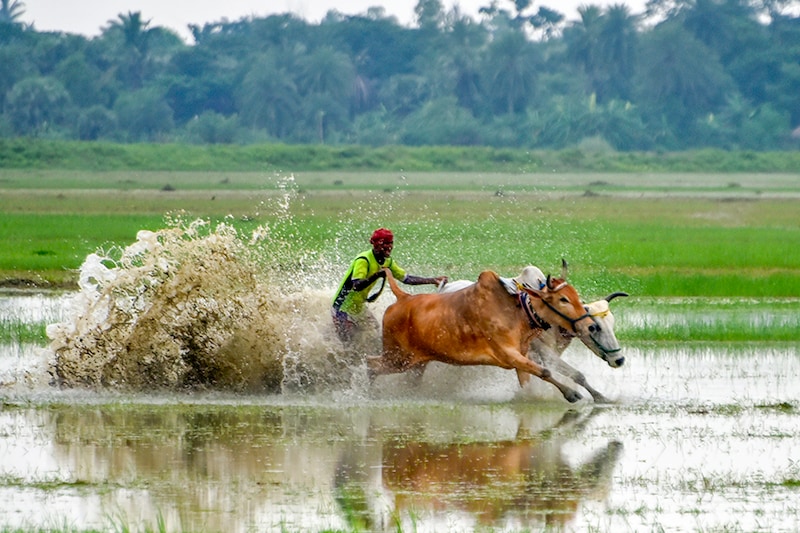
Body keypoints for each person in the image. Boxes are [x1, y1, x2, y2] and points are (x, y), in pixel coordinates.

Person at [331, 228, 447, 344]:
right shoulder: (364, 260)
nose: (389, 247)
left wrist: (433, 280)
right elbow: (357, 285)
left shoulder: (388, 262)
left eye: (391, 243)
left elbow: (407, 279)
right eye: (385, 243)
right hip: (342, 307)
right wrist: (377, 275)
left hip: (358, 306)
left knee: (374, 331)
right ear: (376, 244)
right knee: (347, 339)